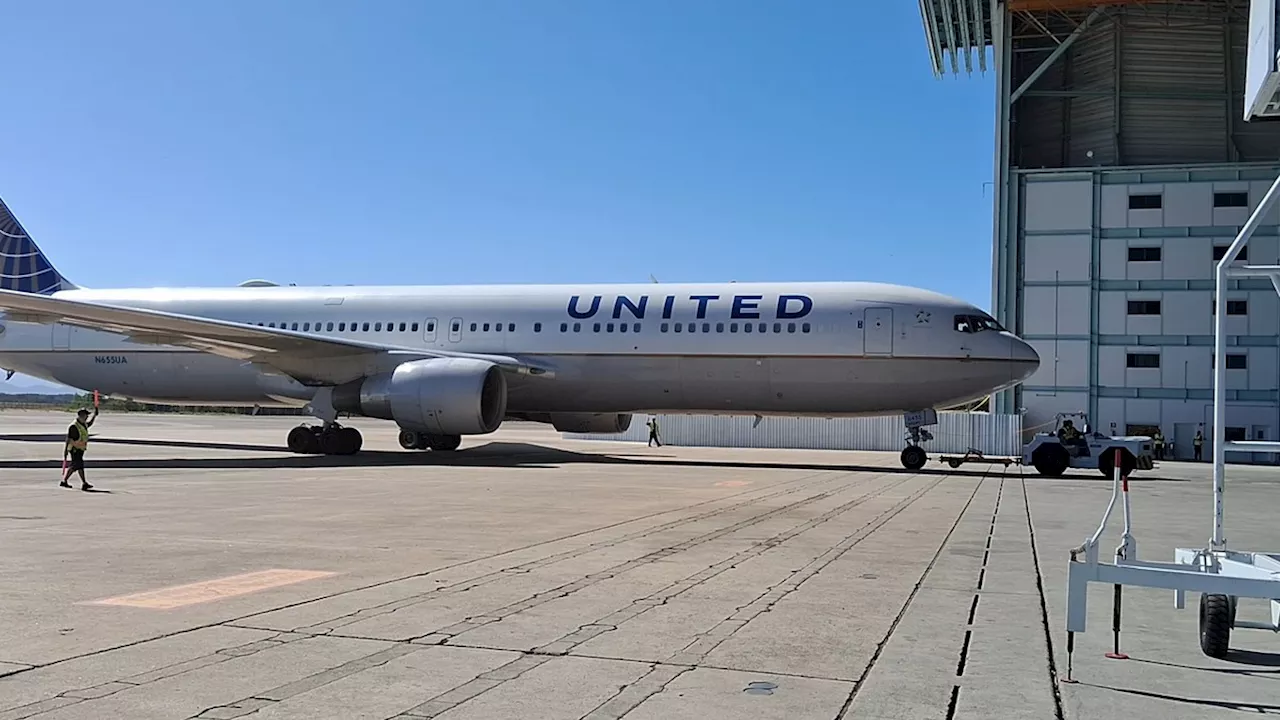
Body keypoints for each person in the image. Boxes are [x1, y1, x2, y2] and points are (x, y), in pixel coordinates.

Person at [62, 407, 98, 490]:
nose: (87, 417)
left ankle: (80, 482)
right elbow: (69, 439)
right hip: (75, 449)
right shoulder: (74, 426)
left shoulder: (83, 424)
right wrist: (65, 451)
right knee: (76, 465)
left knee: (78, 466)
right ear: (81, 415)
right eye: (86, 415)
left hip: (80, 449)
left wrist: (94, 416)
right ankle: (67, 481)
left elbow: (90, 424)